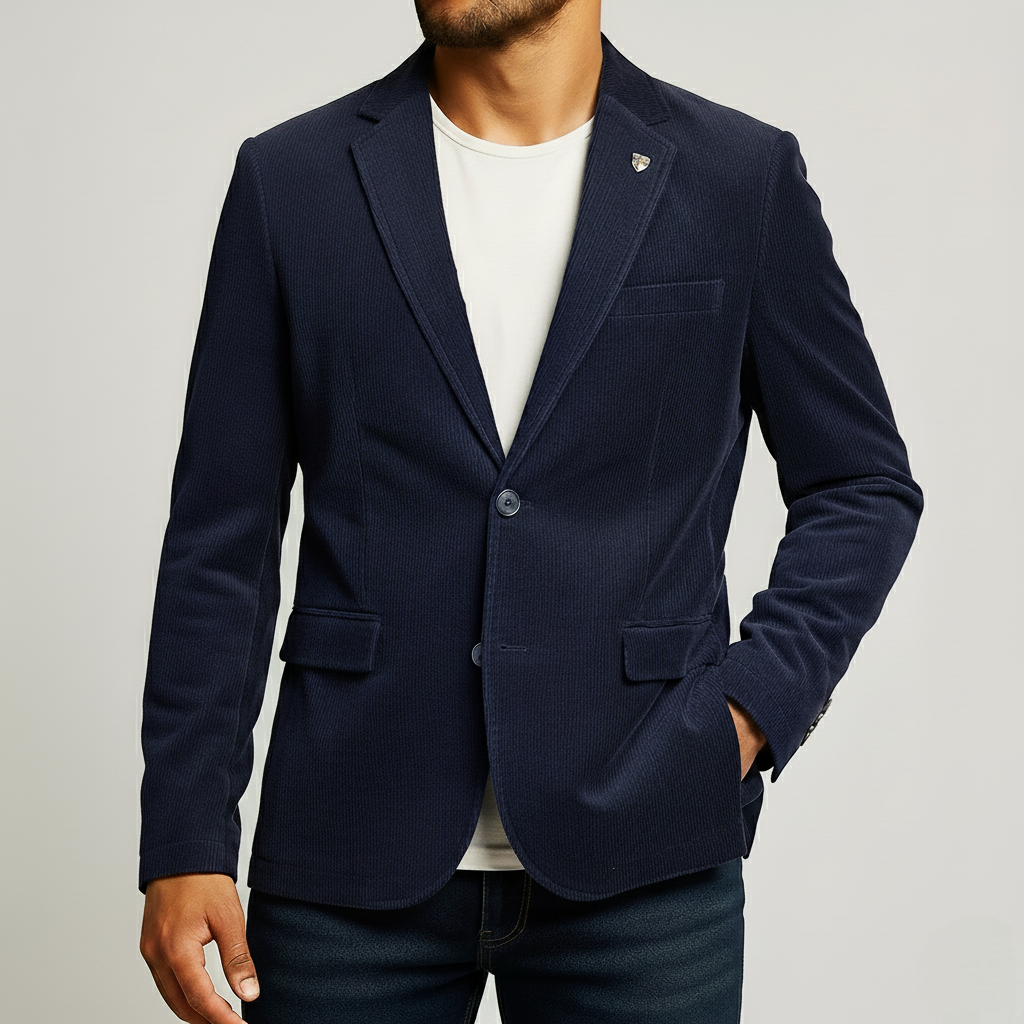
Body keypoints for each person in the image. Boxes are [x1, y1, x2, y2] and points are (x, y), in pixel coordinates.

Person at [138, 1, 924, 1021]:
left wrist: (749, 712)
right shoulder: (292, 181)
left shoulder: (738, 178)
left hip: (646, 856)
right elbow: (221, 539)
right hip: (350, 850)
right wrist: (186, 835)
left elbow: (861, 484)